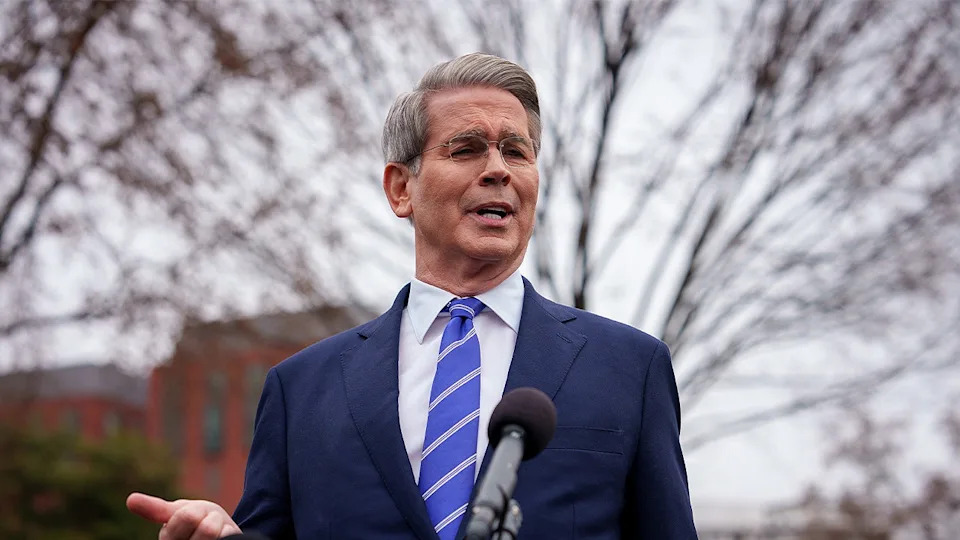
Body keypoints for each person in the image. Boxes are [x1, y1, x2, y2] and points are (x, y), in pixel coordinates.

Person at [127, 53, 697, 539]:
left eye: (516, 152)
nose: (498, 169)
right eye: (467, 148)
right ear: (402, 189)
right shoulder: (299, 391)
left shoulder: (630, 368)